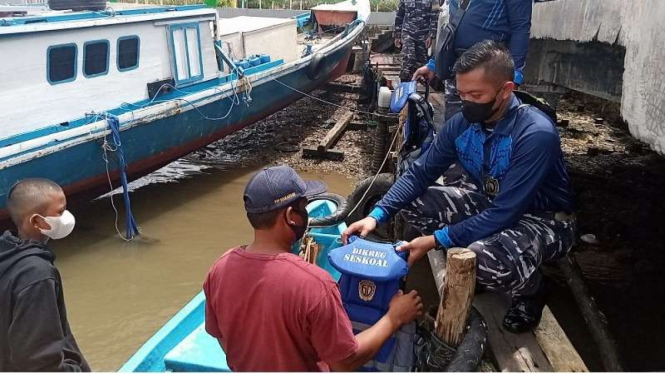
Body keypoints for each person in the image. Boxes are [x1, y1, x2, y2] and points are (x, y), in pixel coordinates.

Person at [344, 41, 575, 334]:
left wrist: (436, 239)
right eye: (462, 93)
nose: (466, 103)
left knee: (481, 259)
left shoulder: (534, 133)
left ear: (506, 90)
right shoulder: (463, 123)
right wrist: (376, 215)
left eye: (476, 95)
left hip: (543, 219)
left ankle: (533, 289)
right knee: (413, 202)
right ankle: (483, 255)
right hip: (492, 203)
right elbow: (420, 174)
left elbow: (506, 212)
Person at [203, 165, 423, 371]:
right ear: (290, 216)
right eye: (303, 207)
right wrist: (394, 317)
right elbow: (344, 362)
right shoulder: (314, 284)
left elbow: (221, 337)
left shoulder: (220, 268)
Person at [0, 179, 90, 371]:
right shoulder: (37, 275)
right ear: (36, 221)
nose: (66, 216)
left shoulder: (6, 254)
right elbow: (38, 359)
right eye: (60, 211)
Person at [414, 0, 533, 120]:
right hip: (457, 70)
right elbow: (454, 27)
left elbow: (520, 27)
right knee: (455, 124)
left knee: (488, 126)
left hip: (488, 70)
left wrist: (515, 75)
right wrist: (433, 65)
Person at [394, 0, 438, 82]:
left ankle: (418, 87)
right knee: (409, 58)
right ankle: (404, 84)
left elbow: (435, 16)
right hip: (408, 33)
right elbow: (399, 15)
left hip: (423, 35)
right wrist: (397, 35)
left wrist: (431, 35)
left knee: (421, 64)